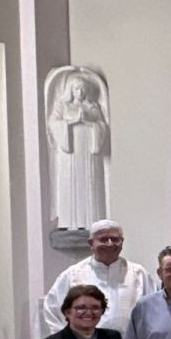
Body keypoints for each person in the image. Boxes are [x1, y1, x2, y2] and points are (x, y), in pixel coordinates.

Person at [47, 73, 108, 230]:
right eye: (76, 89)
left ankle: (91, 222)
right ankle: (70, 222)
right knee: (70, 183)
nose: (80, 92)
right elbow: (53, 123)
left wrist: (89, 122)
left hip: (88, 153)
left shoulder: (92, 107)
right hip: (71, 153)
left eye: (82, 89)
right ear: (71, 90)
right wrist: (73, 121)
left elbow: (101, 126)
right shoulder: (63, 106)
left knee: (89, 182)